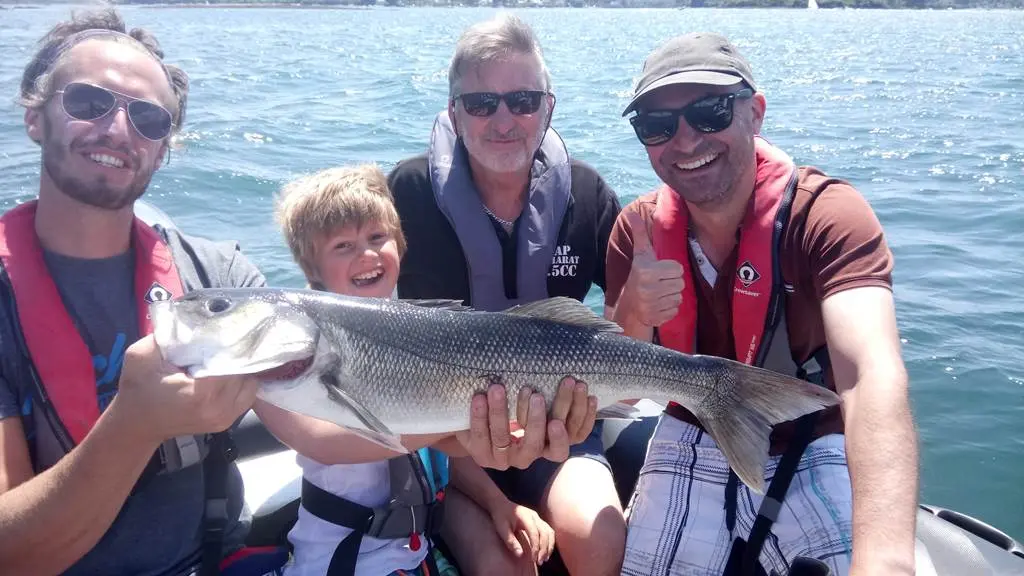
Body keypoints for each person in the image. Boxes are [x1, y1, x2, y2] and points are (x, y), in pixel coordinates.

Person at [605, 32, 919, 576]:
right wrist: (633, 309)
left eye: (709, 112)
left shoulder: (828, 217)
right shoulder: (637, 232)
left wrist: (886, 560)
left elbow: (871, 376)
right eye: (657, 124)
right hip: (689, 430)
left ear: (755, 113)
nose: (685, 141)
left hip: (811, 438)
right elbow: (626, 390)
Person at [0, 9, 279, 576]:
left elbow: (318, 427)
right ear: (34, 117)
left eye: (148, 118)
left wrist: (447, 427)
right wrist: (134, 424)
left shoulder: (220, 276)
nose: (118, 130)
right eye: (88, 102)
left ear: (163, 148)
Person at [387, 13, 625, 576]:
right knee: (507, 566)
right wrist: (497, 503)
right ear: (454, 114)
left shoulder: (588, 195)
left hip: (560, 429)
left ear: (548, 108)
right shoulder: (406, 195)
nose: (503, 121)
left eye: (522, 100)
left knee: (601, 539)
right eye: (480, 103)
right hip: (450, 445)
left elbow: (627, 329)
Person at [255, 163, 569, 576]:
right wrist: (457, 415)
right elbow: (330, 443)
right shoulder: (304, 346)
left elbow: (448, 447)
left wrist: (500, 504)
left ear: (400, 244)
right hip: (343, 561)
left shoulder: (414, 330)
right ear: (312, 269)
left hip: (416, 554)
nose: (367, 254)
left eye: (377, 237)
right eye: (343, 246)